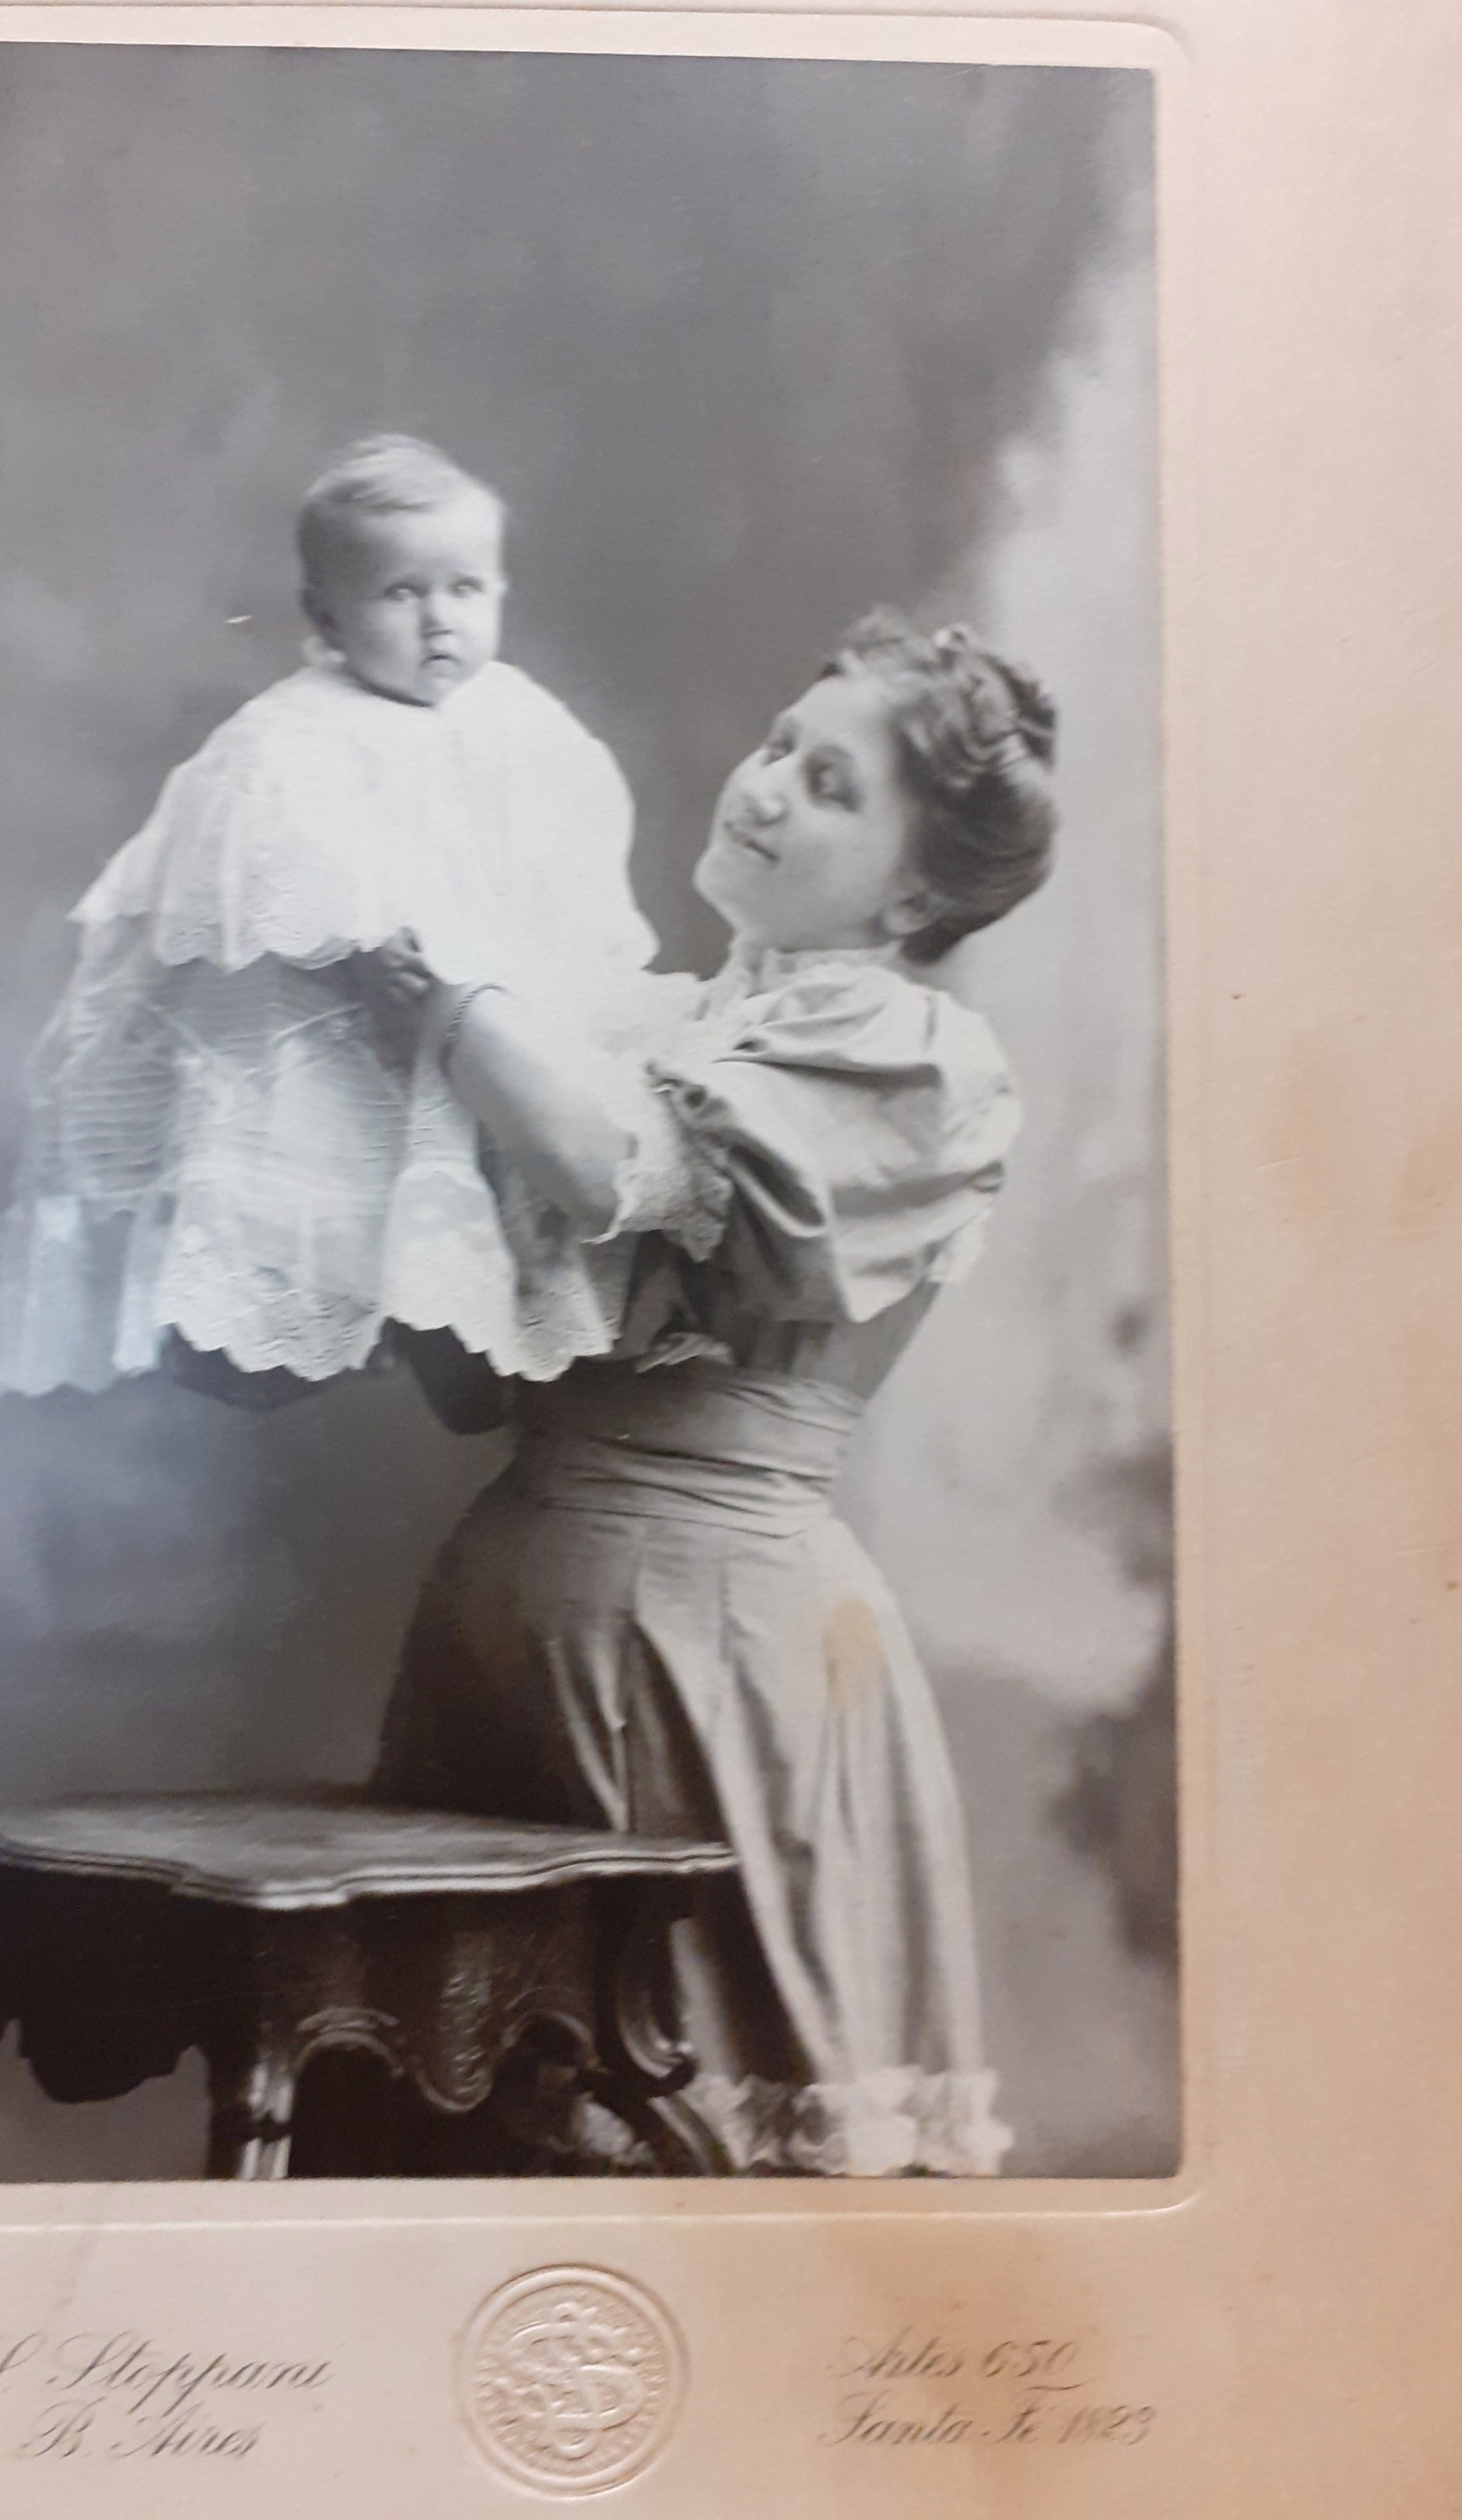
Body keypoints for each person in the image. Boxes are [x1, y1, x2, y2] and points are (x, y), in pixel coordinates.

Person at [369, 612, 1058, 2177]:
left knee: (697, 2141)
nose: (761, 790)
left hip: (716, 1652)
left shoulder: (918, 1061)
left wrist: (444, 1010)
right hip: (502, 1633)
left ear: (912, 889)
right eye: (774, 747)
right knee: (468, 2160)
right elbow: (477, 1386)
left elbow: (621, 1173)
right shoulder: (653, 1021)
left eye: (827, 783)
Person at [0, 435, 657, 1407]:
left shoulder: (519, 718)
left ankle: (472, 1338)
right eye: (400, 594)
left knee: (486, 1169)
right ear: (325, 616)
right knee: (329, 1184)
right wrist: (356, 946)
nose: (438, 620)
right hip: (347, 1015)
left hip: (473, 1018)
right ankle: (282, 1329)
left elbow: (572, 845)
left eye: (465, 588)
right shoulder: (290, 735)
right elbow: (271, 869)